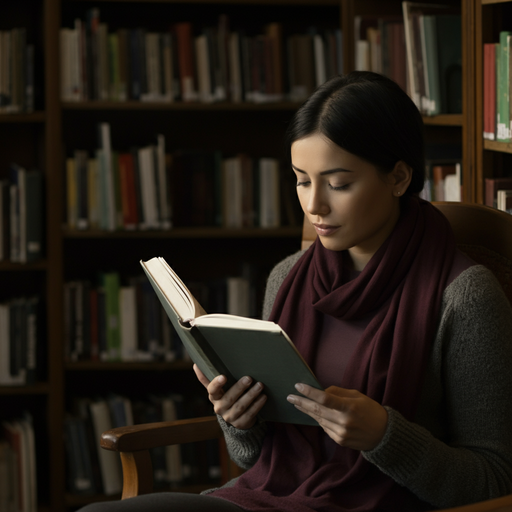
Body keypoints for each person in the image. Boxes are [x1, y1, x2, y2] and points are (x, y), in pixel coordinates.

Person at [80, 72, 512, 512]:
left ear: (399, 177)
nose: (314, 205)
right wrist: (236, 417)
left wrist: (386, 435)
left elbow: (495, 480)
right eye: (302, 180)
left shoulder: (465, 297)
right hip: (267, 499)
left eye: (338, 183)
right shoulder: (288, 276)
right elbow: (253, 457)